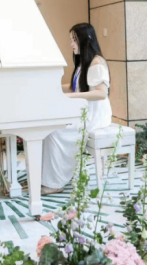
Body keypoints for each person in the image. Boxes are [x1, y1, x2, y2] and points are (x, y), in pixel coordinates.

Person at [41, 23, 112, 195]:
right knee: (48, 130)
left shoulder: (97, 62)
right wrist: (53, 88)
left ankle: (56, 182)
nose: (71, 44)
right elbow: (77, 86)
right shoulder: (84, 62)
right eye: (71, 39)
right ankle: (47, 177)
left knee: (55, 133)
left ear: (85, 39)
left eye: (74, 39)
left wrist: (69, 97)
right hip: (85, 112)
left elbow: (101, 93)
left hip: (96, 116)